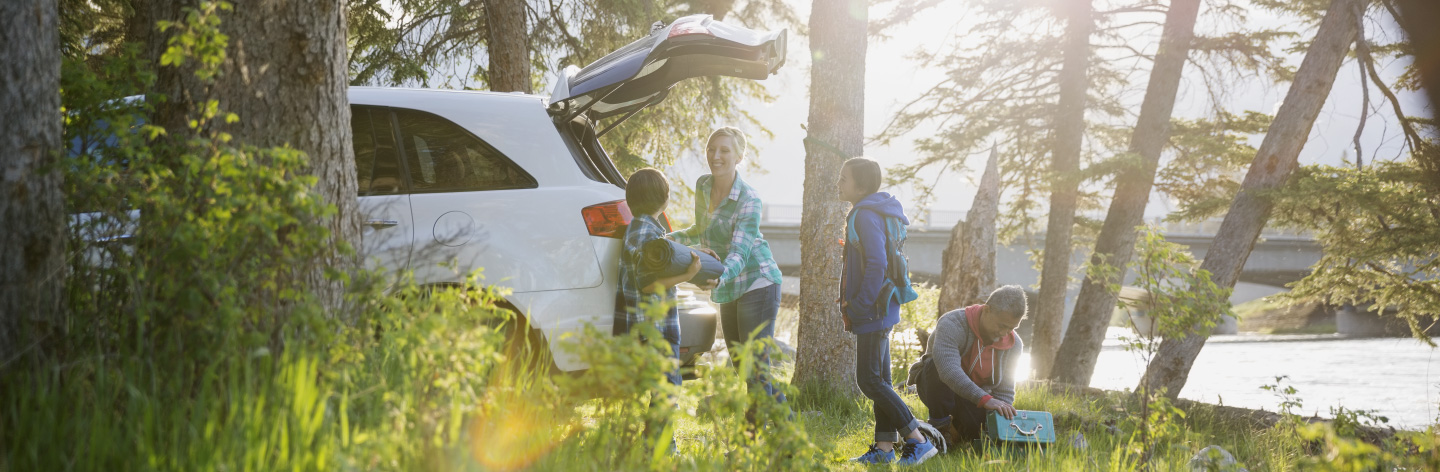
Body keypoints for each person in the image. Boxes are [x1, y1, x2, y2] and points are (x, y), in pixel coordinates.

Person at [668, 127, 786, 406]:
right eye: (712, 149)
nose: (716, 156)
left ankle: (752, 443)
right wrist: (666, 240)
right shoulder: (703, 185)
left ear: (739, 156)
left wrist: (720, 277)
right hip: (730, 282)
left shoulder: (749, 199)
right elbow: (701, 230)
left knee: (755, 369)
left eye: (724, 150)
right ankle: (789, 431)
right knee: (742, 366)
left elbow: (740, 252)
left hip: (758, 280)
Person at [837, 157, 936, 465]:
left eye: (844, 178)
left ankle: (917, 439)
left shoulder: (865, 215)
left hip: (873, 309)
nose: (839, 183)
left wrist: (860, 305)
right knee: (880, 380)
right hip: (882, 307)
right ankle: (883, 448)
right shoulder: (873, 211)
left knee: (868, 381)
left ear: (861, 185)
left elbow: (878, 263)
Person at [615, 168, 702, 396]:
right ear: (665, 200)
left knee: (663, 387)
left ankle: (656, 432)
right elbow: (649, 285)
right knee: (667, 388)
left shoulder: (639, 229)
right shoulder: (648, 235)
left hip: (649, 324)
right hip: (656, 327)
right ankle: (659, 433)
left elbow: (663, 254)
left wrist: (697, 252)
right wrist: (688, 276)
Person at [916, 285, 1027, 449]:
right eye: (1001, 325)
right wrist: (985, 399)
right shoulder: (952, 323)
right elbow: (948, 371)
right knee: (934, 366)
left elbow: (1005, 390)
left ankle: (942, 430)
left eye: (1011, 328)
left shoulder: (1014, 344)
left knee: (980, 435)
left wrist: (1000, 418)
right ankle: (939, 429)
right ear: (987, 310)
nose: (1004, 333)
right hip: (937, 388)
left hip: (974, 397)